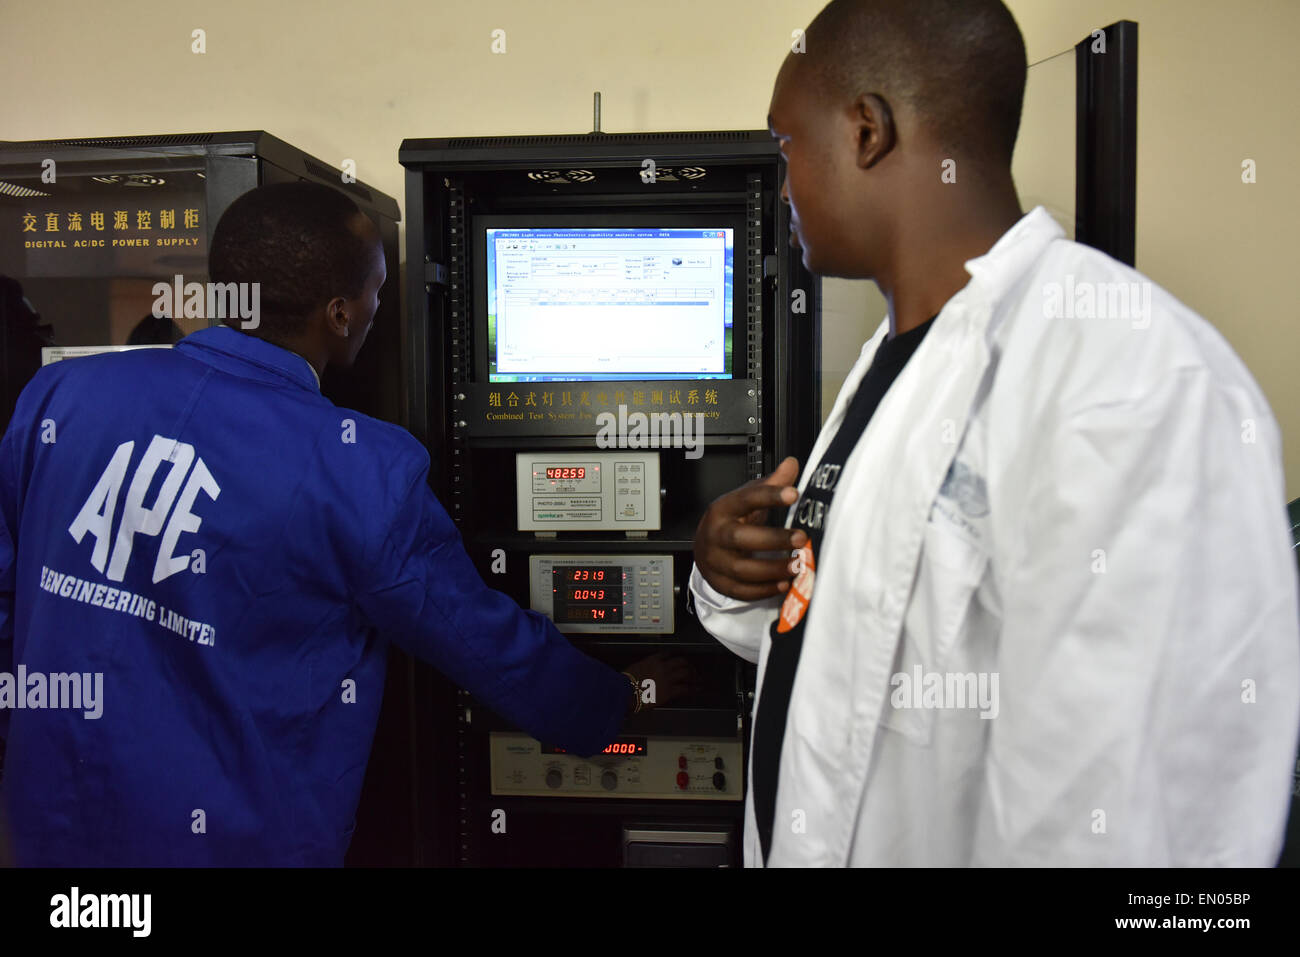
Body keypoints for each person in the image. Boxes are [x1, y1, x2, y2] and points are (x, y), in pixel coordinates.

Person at [691, 0, 1300, 866]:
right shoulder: (892, 366)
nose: (783, 187)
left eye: (787, 150)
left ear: (866, 131)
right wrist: (729, 575)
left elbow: (1144, 837)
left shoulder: (1129, 376)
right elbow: (858, 650)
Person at [0, 181, 690, 865]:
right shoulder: (361, 470)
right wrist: (617, 699)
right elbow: (483, 643)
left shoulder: (63, 395)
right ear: (337, 313)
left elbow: (9, 598)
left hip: (49, 831)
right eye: (376, 291)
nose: (376, 307)